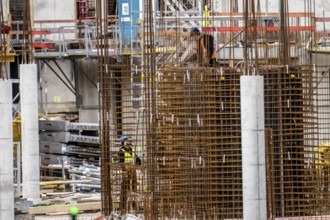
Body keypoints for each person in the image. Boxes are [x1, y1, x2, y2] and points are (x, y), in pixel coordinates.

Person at [117, 136, 141, 214]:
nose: (127, 142)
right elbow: (121, 163)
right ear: (122, 143)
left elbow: (137, 159)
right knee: (125, 189)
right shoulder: (121, 151)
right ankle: (123, 207)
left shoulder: (132, 150)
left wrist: (139, 162)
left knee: (134, 189)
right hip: (126, 172)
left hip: (132, 171)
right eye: (125, 141)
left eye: (128, 140)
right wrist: (124, 169)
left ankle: (134, 206)